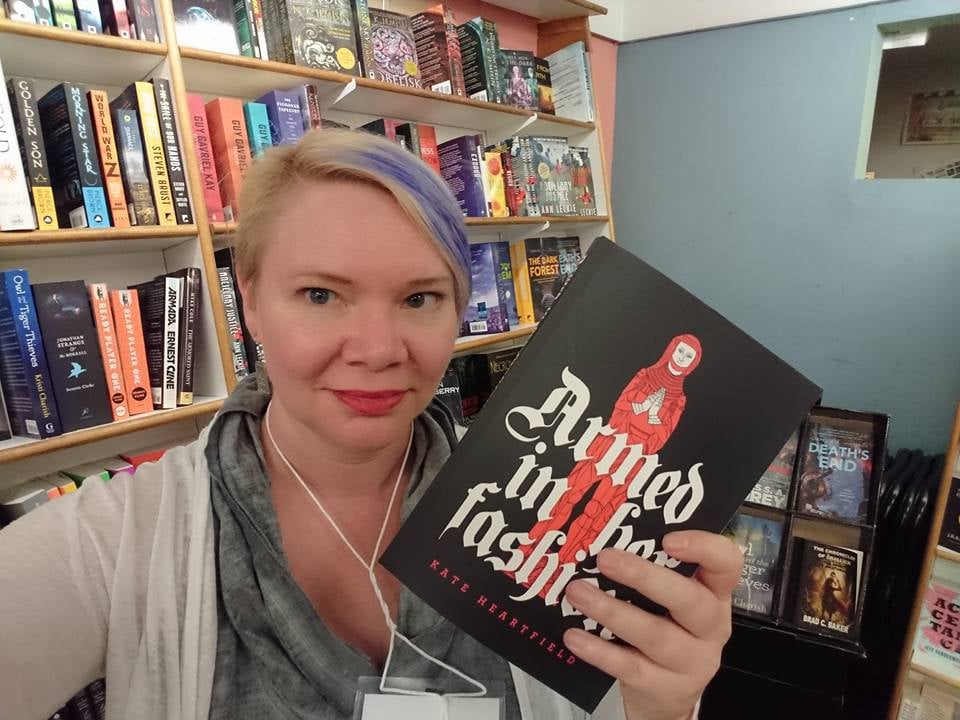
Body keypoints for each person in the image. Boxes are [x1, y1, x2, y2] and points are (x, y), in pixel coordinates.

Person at [0, 130, 742, 720]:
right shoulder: (122, 538)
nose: (381, 351)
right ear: (251, 303)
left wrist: (661, 707)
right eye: (321, 294)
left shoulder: (540, 509)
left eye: (420, 299)